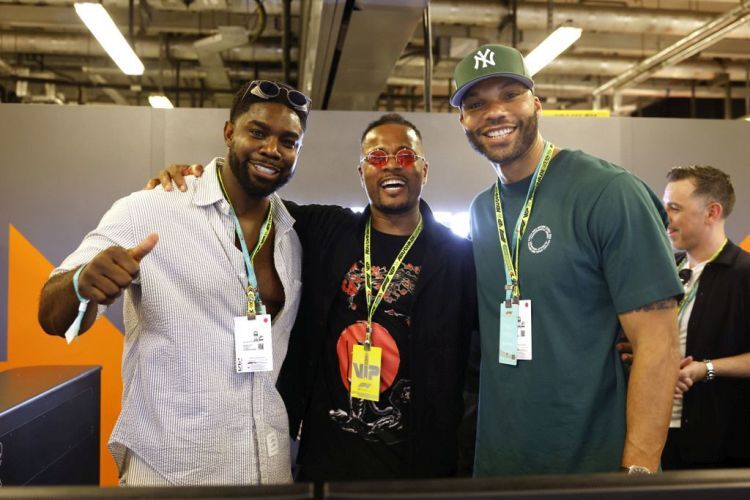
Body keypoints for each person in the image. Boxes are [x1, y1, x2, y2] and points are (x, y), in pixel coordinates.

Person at [149, 113, 477, 481]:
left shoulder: (460, 258)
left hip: (422, 466)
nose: (390, 167)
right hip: (328, 460)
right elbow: (248, 200)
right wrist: (202, 179)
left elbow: (475, 368)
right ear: (362, 172)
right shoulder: (328, 231)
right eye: (376, 157)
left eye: (404, 156)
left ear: (424, 169)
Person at [37, 80, 309, 486]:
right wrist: (81, 283)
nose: (273, 148)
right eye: (258, 132)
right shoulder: (151, 208)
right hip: (171, 474)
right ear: (229, 132)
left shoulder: (295, 232)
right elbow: (51, 315)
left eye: (288, 141)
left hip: (267, 472)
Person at [450, 44, 683, 476]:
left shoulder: (609, 192)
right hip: (501, 463)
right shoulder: (483, 211)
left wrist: (639, 472)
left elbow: (659, 344)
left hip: (593, 465)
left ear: (536, 103)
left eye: (509, 95)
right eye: (476, 103)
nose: (494, 112)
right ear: (463, 120)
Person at [660, 165, 750, 469]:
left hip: (719, 446)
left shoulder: (743, 274)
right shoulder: (662, 271)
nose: (665, 218)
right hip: (657, 435)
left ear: (712, 212)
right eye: (664, 208)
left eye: (674, 208)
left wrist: (705, 369)